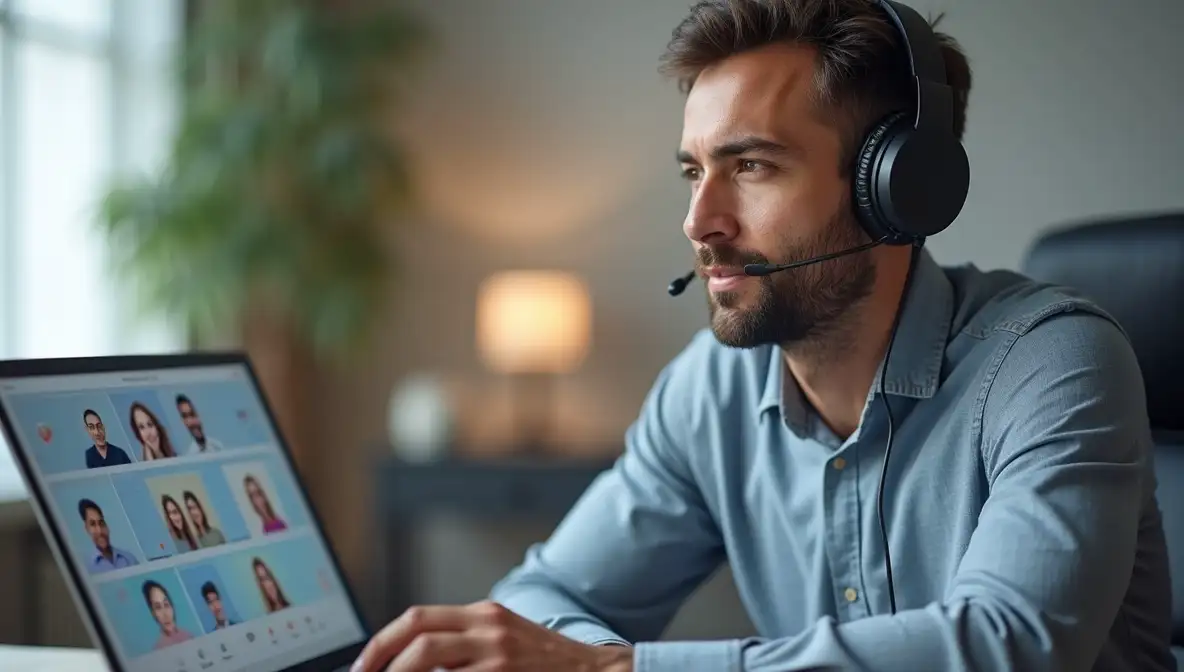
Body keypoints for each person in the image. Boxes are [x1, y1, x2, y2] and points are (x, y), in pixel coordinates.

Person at [351, 2, 1173, 672]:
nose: (698, 221)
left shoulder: (1056, 363)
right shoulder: (711, 389)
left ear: (897, 191)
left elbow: (1014, 644)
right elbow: (547, 593)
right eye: (693, 170)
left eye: (751, 167)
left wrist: (612, 670)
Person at [77, 499, 139, 574]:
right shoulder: (86, 568)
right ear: (87, 529)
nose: (99, 531)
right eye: (93, 524)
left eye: (101, 523)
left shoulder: (129, 558)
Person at [142, 580, 194, 650]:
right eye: (158, 607)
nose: (165, 614)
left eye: (166, 605)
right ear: (153, 613)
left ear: (172, 606)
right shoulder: (159, 649)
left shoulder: (189, 636)